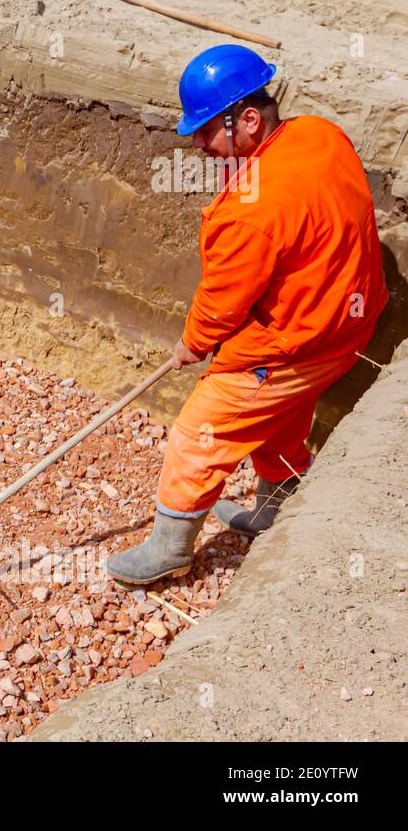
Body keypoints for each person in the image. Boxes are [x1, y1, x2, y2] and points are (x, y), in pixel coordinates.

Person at [106, 44, 387, 585]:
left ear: (250, 119)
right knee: (280, 416)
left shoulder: (250, 213)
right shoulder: (319, 135)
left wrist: (193, 343)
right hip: (348, 322)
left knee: (198, 433)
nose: (198, 144)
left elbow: (223, 302)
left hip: (295, 340)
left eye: (208, 130)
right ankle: (275, 507)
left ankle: (169, 550)